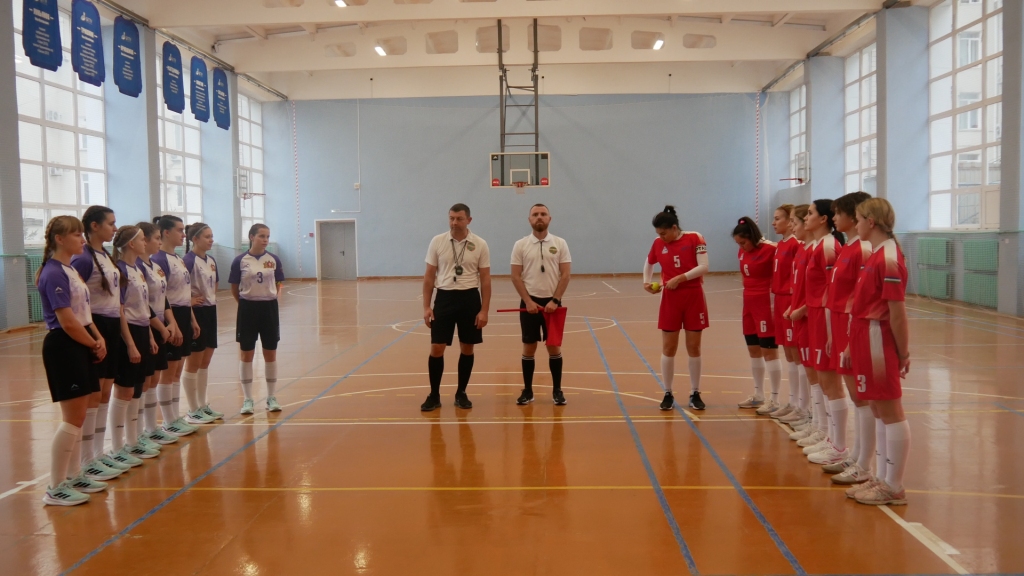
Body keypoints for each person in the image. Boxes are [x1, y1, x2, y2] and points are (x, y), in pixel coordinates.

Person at [37, 216, 112, 505]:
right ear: (59, 239)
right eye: (76, 234)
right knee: (73, 417)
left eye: (82, 234)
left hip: (81, 342)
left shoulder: (70, 270)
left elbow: (83, 314)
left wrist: (97, 337)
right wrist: (92, 343)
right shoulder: (53, 272)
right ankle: (55, 488)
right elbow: (67, 321)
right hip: (64, 346)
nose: (82, 239)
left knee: (82, 413)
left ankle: (75, 474)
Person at [845, 198, 911, 506]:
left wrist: (903, 352)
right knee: (876, 408)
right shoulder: (875, 255)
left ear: (870, 221)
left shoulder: (889, 258)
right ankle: (883, 477)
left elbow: (897, 312)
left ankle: (894, 486)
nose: (855, 224)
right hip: (863, 334)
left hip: (877, 337)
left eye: (858, 219)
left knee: (890, 410)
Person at [70, 206, 132, 474]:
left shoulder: (105, 255)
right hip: (95, 325)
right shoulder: (83, 259)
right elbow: (76, 299)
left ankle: (97, 454)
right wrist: (92, 334)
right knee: (94, 394)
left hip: (111, 324)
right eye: (110, 223)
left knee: (105, 392)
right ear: (94, 226)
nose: (115, 228)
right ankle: (87, 459)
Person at [817, 192, 876, 475]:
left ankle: (864, 462)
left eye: (839, 213)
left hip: (853, 325)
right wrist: (833, 333)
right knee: (856, 395)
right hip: (840, 325)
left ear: (854, 217)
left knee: (861, 396)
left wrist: (850, 336)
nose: (835, 217)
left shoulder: (862, 250)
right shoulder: (848, 248)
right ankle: (855, 455)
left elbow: (862, 296)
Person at [421, 204, 492, 411]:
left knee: (467, 347)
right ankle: (434, 395)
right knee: (437, 347)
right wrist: (426, 306)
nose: (454, 222)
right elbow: (429, 276)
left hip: (469, 298)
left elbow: (486, 280)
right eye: (451, 218)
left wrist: (484, 310)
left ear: (469, 220)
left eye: (459, 219)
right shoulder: (437, 241)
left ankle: (461, 393)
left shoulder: (480, 244)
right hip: (444, 298)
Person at [643, 205, 709, 411]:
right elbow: (649, 262)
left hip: (693, 297)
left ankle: (695, 392)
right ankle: (668, 392)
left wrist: (680, 278)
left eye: (663, 233)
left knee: (694, 347)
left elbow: (704, 266)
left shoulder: (695, 238)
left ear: (674, 228)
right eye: (658, 234)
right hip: (670, 299)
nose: (661, 237)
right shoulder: (658, 243)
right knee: (668, 347)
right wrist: (646, 282)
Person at [794, 200, 846, 459]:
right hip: (814, 316)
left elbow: (831, 289)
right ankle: (824, 431)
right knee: (821, 379)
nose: (806, 218)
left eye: (810, 213)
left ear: (823, 219)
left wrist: (828, 328)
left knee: (830, 381)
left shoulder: (828, 247)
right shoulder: (815, 246)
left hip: (823, 318)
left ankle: (837, 443)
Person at [510, 204, 572, 406]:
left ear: (549, 219)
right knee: (529, 347)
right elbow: (515, 276)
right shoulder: (520, 245)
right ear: (529, 219)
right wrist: (528, 301)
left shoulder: (560, 243)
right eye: (535, 214)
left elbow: (566, 274)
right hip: (529, 304)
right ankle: (528, 391)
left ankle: (557, 391)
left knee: (554, 347)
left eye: (543, 214)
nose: (539, 217)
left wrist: (555, 300)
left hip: (553, 304)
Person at [111, 225, 161, 462]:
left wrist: (149, 336)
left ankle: (133, 440)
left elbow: (143, 307)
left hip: (142, 330)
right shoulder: (120, 271)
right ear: (131, 244)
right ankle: (118, 446)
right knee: (125, 390)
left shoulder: (137, 269)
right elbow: (120, 310)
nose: (145, 242)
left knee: (137, 388)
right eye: (142, 239)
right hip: (128, 332)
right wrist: (130, 344)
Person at [151, 215, 200, 436]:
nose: (183, 234)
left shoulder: (178, 258)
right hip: (170, 317)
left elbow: (184, 293)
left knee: (178, 369)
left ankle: (175, 417)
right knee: (169, 371)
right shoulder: (160, 260)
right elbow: (163, 296)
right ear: (166, 233)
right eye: (180, 230)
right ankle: (168, 420)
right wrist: (172, 323)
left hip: (183, 313)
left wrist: (192, 319)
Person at [229, 224, 285, 414]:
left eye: (267, 236)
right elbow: (234, 287)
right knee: (246, 354)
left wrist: (272, 296)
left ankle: (271, 397)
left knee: (270, 353)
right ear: (251, 237)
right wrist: (245, 303)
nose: (265, 240)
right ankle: (247, 399)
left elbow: (278, 282)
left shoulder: (274, 259)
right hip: (247, 308)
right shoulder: (240, 261)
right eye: (261, 236)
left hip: (269, 308)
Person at [136, 221, 181, 447]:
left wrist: (171, 322)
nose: (159, 242)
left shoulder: (155, 266)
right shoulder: (137, 267)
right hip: (147, 326)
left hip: (160, 324)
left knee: (153, 379)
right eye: (156, 239)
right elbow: (142, 304)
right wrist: (160, 328)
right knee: (143, 382)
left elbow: (163, 298)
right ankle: (138, 434)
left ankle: (151, 428)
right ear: (143, 241)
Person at [733, 217, 781, 412]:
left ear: (752, 237)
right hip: (749, 304)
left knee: (769, 350)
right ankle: (758, 395)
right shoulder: (742, 251)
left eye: (743, 242)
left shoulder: (771, 249)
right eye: (738, 244)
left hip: (765, 304)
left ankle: (775, 398)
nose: (741, 247)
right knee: (753, 349)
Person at [780, 205, 815, 432]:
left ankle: (809, 414)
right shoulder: (803, 248)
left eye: (794, 222)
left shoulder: (820, 249)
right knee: (801, 360)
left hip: (812, 316)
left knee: (815, 369)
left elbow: (821, 290)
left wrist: (801, 308)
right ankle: (802, 408)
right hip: (799, 312)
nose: (791, 226)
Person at [182, 223, 222, 423]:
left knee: (205, 360)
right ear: (195, 239)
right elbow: (178, 288)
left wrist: (210, 297)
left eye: (212, 236)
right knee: (194, 362)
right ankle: (192, 409)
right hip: (196, 313)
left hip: (210, 310)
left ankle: (202, 404)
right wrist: (189, 301)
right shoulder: (188, 261)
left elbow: (215, 284)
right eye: (207, 236)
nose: (211, 240)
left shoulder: (211, 260)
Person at [768, 205, 803, 421]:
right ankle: (793, 401)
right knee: (789, 354)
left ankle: (801, 405)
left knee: (796, 353)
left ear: (790, 221)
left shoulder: (795, 244)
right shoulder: (780, 244)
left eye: (778, 218)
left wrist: (794, 302)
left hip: (791, 300)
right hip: (780, 299)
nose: (774, 222)